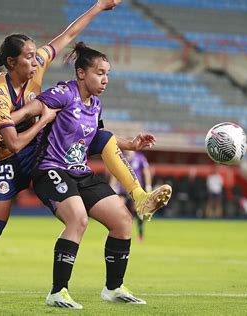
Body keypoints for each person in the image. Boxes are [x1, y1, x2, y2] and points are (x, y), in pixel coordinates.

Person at [0, 0, 123, 303]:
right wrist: (45, 120)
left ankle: (72, 283)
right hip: (7, 162)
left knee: (90, 142)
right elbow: (14, 144)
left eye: (37, 56)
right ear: (12, 62)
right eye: (29, 57)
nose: (36, 62)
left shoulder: (37, 67)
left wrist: (99, 7)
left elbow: (68, 35)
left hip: (39, 156)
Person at [29, 42, 171, 308]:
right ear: (81, 73)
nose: (105, 79)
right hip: (51, 170)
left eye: (108, 74)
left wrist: (130, 143)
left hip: (80, 172)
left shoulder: (95, 105)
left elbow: (98, 138)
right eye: (100, 73)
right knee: (78, 220)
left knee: (123, 221)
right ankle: (57, 292)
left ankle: (113, 288)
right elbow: (30, 110)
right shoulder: (63, 93)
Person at [110, 151, 153, 242]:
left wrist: (148, 186)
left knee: (137, 211)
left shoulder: (140, 157)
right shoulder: (120, 157)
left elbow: (146, 172)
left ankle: (140, 235)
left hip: (135, 189)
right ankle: (113, 234)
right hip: (122, 189)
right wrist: (112, 186)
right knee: (117, 211)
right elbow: (115, 172)